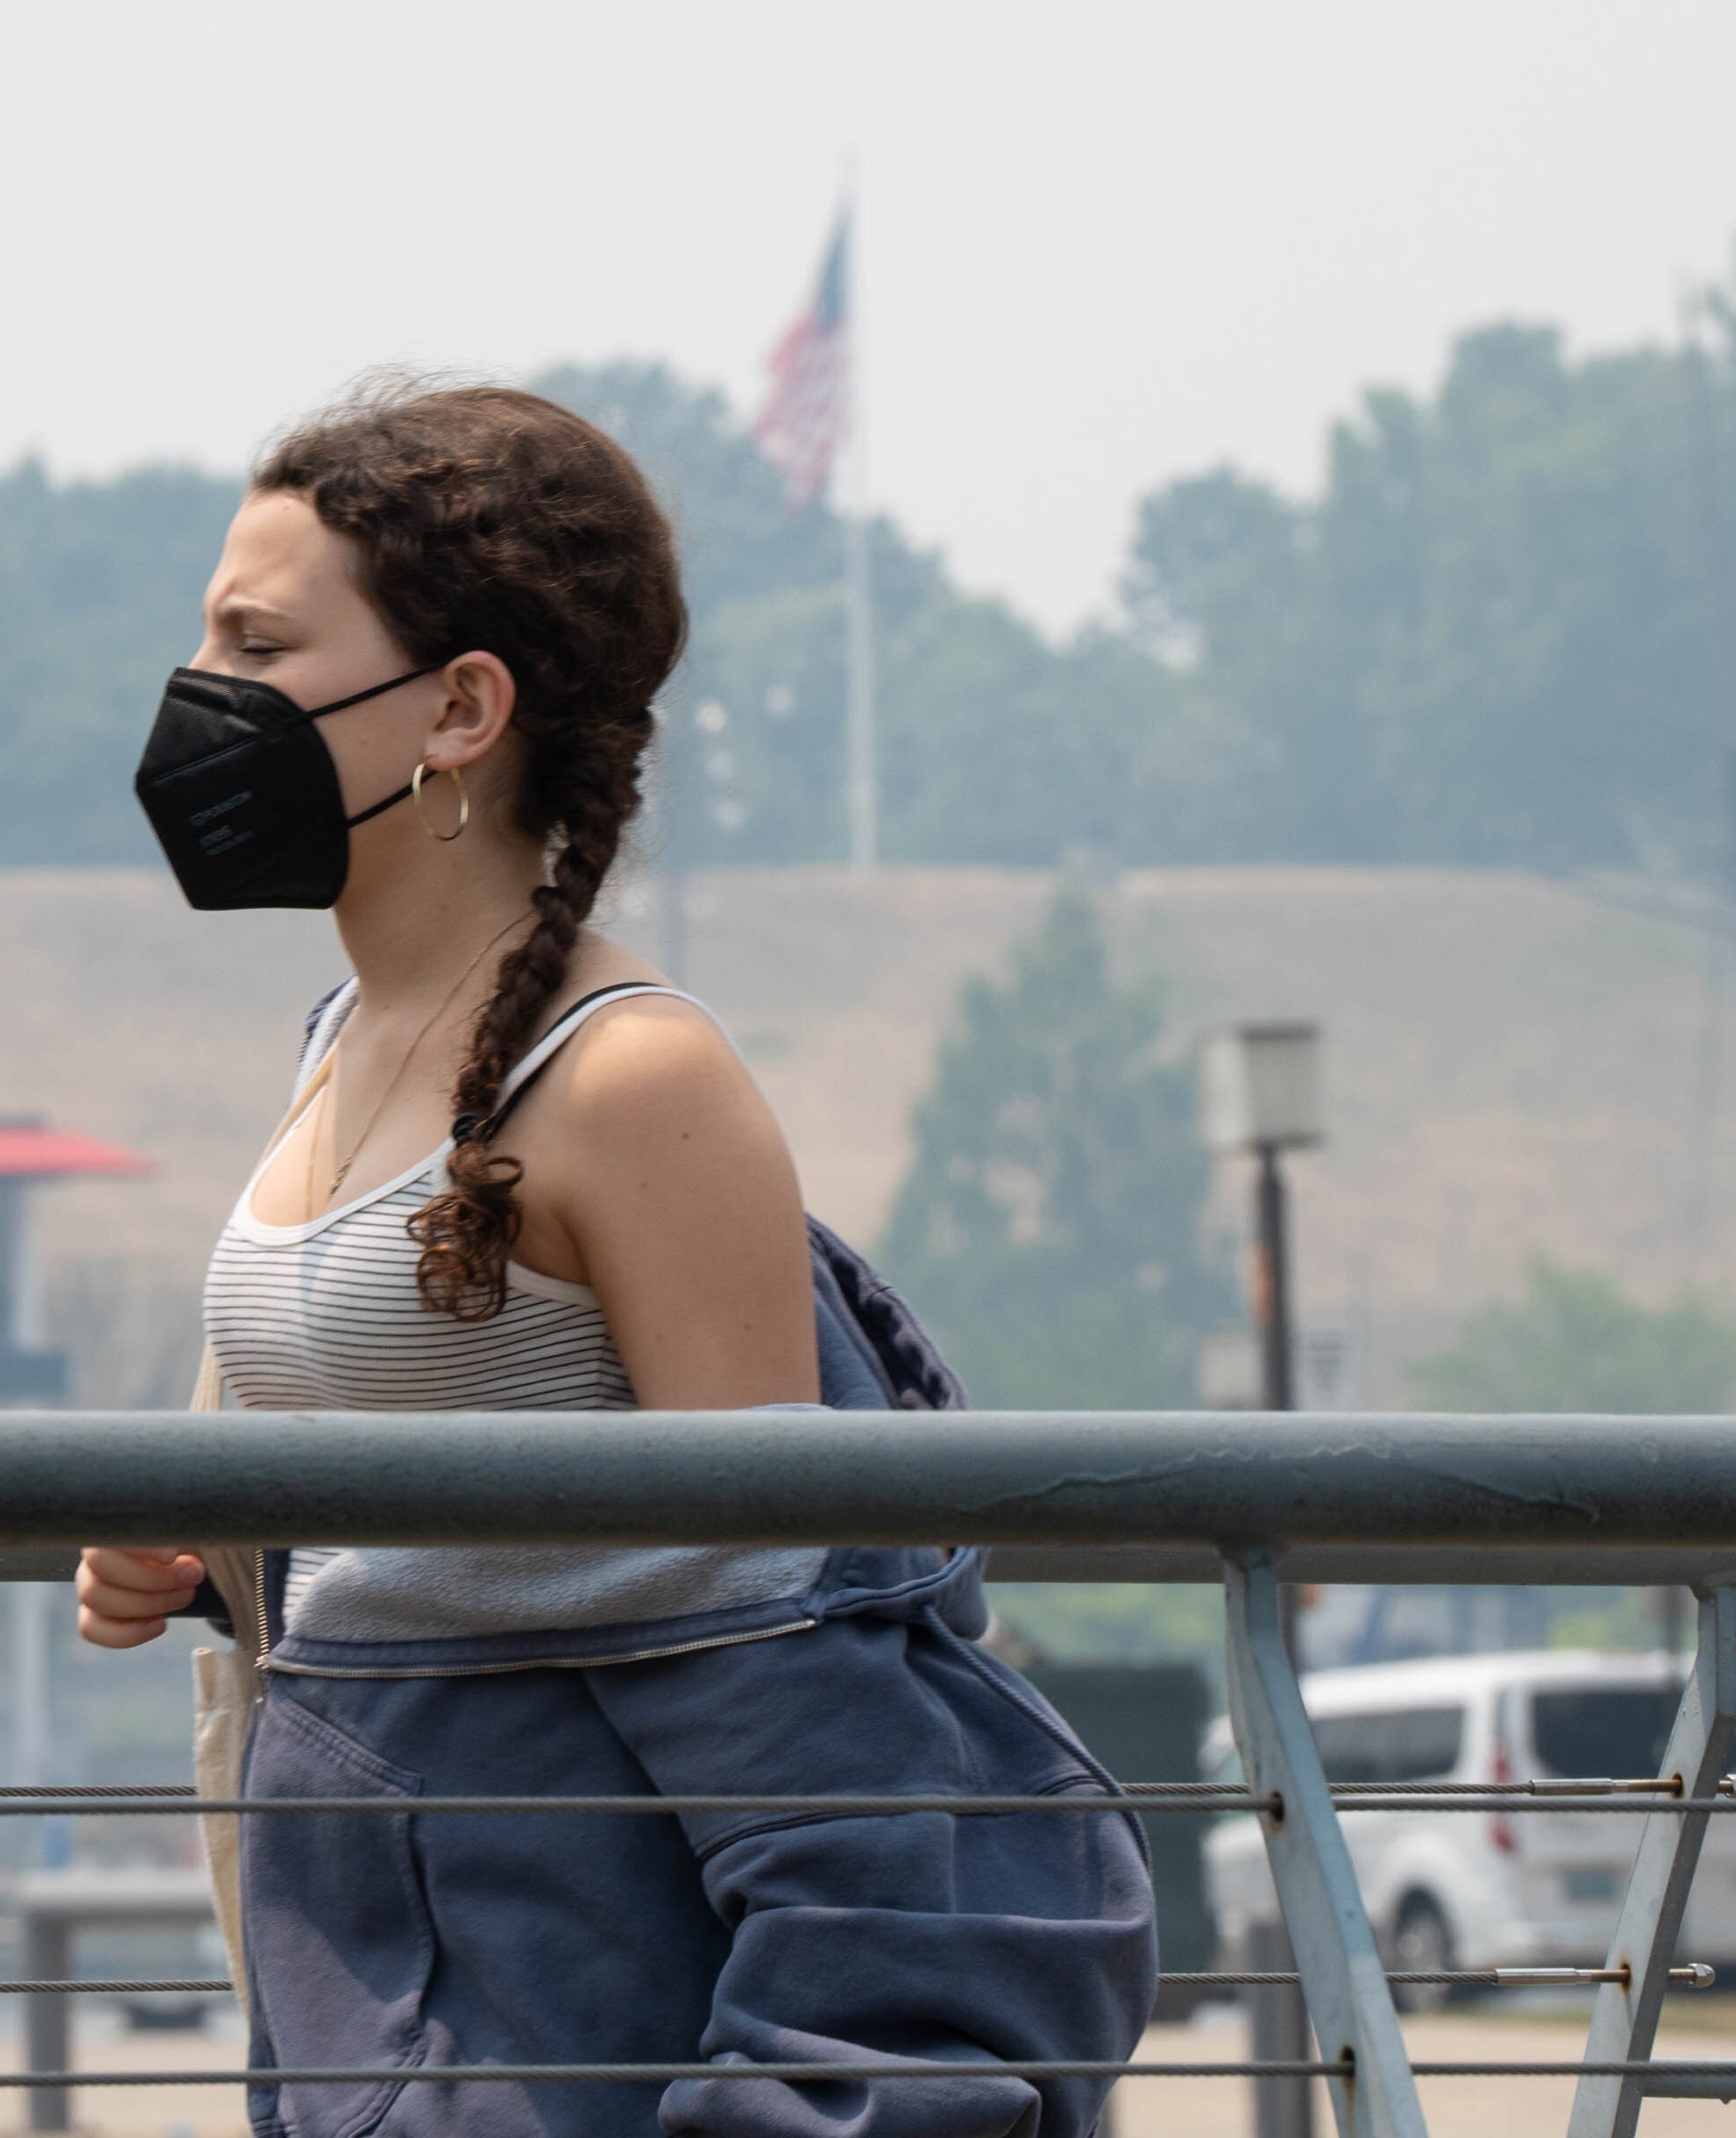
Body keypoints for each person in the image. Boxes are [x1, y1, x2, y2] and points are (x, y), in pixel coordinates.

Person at [85, 378, 1155, 2138]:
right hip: (377, 2024)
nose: (205, 691)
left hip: (562, 2040)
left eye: (258, 641)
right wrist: (212, 1564)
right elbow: (464, 1504)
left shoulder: (630, 1078)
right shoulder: (339, 1040)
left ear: (461, 707)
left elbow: (802, 1675)